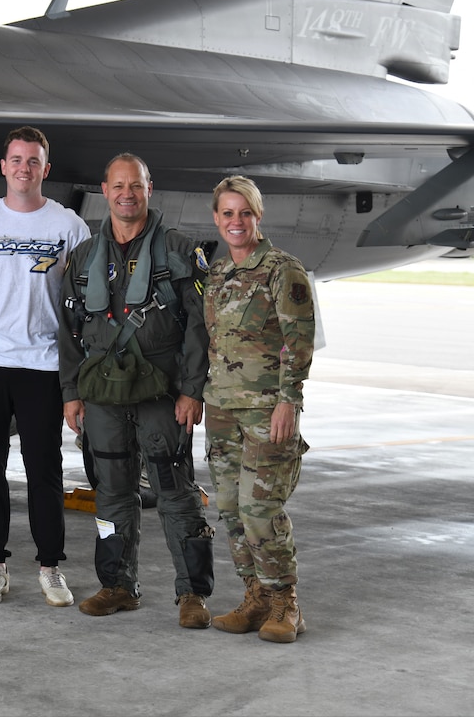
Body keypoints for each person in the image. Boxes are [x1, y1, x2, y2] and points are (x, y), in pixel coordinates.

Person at [58, 153, 214, 627]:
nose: (127, 194)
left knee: (175, 492)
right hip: (102, 397)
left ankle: (192, 595)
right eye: (118, 186)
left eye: (137, 186)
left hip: (163, 394)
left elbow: (200, 328)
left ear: (149, 190)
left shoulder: (180, 251)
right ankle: (117, 585)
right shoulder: (84, 257)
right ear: (105, 191)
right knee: (111, 495)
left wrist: (193, 390)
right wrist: (70, 392)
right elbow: (68, 329)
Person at [0, 126, 90, 607]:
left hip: (43, 364)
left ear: (45, 170)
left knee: (43, 469)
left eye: (33, 161)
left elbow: (86, 295)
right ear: (3, 167)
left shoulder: (68, 226)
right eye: (16, 160)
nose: (23, 168)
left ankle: (50, 567)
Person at [203, 175, 315, 643]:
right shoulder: (217, 272)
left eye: (244, 213)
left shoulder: (281, 269)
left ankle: (285, 604)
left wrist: (290, 399)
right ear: (217, 218)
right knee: (229, 508)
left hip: (268, 409)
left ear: (258, 216)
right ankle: (255, 599)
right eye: (227, 213)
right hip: (222, 408)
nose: (236, 222)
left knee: (259, 509)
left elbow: (300, 341)